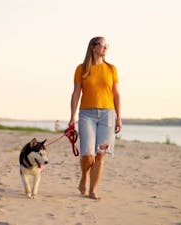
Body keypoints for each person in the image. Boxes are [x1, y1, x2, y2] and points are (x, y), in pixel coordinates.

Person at [69, 36, 122, 200]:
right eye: (103, 45)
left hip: (108, 115)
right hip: (87, 115)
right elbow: (76, 92)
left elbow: (116, 93)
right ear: (93, 47)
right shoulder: (81, 68)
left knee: (100, 154)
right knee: (88, 155)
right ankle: (84, 176)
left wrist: (119, 117)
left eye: (107, 46)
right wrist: (72, 117)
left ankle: (93, 190)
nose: (106, 48)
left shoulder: (111, 69)